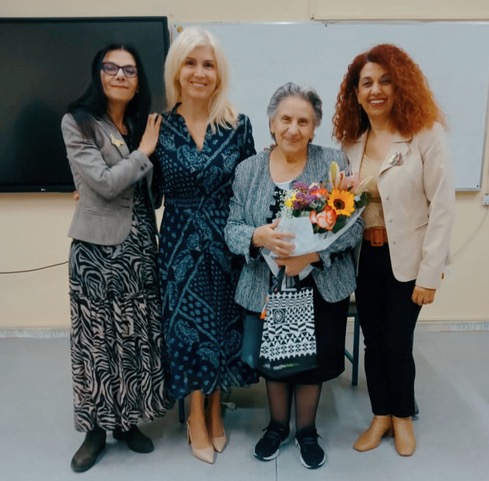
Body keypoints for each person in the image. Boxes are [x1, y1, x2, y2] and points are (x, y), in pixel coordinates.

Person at [224, 82, 364, 469]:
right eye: (285, 119)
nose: (293, 129)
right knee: (275, 361)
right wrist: (257, 235)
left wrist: (312, 256)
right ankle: (276, 427)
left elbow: (353, 226)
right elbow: (232, 228)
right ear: (271, 123)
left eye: (303, 121)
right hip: (267, 284)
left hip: (319, 283)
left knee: (311, 365)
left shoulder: (332, 164)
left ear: (314, 127)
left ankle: (306, 431)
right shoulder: (248, 170)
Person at [333, 44, 455, 456]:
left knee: (397, 343)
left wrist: (430, 274)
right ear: (355, 93)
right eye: (366, 83)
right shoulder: (352, 142)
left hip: (408, 261)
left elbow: (442, 206)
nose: (376, 90)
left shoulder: (425, 134)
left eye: (385, 81)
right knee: (372, 341)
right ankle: (380, 415)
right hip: (365, 258)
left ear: (400, 85)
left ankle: (402, 418)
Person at [61, 44, 170, 472]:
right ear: (99, 74)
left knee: (134, 337)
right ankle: (94, 431)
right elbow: (105, 183)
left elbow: (148, 192)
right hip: (97, 252)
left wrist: (153, 160)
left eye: (129, 70)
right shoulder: (78, 122)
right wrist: (144, 151)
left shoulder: (141, 124)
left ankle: (128, 422)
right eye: (111, 67)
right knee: (96, 344)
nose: (120, 75)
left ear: (138, 81)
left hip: (140, 247)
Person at [152, 27, 258, 464]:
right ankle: (195, 415)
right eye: (191, 63)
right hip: (178, 244)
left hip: (225, 242)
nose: (199, 72)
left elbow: (251, 190)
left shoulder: (238, 126)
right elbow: (148, 193)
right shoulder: (158, 127)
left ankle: (217, 408)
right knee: (186, 331)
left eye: (208, 65)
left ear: (219, 73)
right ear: (176, 70)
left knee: (222, 327)